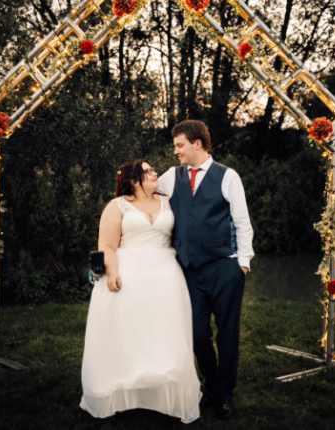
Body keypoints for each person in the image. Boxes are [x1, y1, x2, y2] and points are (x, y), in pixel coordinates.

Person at [80, 159, 201, 424]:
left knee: (163, 332)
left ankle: (163, 387)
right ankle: (121, 389)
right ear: (133, 180)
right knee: (129, 333)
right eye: (148, 171)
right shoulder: (117, 206)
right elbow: (107, 246)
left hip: (166, 274)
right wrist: (112, 273)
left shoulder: (168, 202)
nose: (154, 173)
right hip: (129, 273)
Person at [156, 120, 255, 419]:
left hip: (226, 266)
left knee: (227, 334)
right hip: (189, 269)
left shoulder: (228, 176)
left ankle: (224, 395)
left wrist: (243, 263)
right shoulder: (171, 177)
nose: (176, 152)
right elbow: (144, 194)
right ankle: (211, 385)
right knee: (198, 335)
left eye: (180, 145)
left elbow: (242, 221)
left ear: (198, 144)